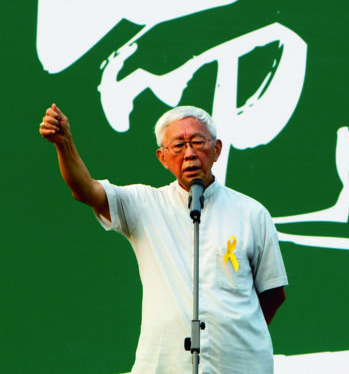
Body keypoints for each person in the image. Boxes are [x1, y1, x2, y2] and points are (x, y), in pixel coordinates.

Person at [39, 103, 287, 374]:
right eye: (178, 146)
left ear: (216, 149)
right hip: (164, 364)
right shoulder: (145, 204)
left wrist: (233, 336)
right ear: (162, 157)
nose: (190, 153)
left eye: (197, 142)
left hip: (240, 366)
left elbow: (273, 293)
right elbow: (85, 189)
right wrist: (64, 144)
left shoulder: (252, 213)